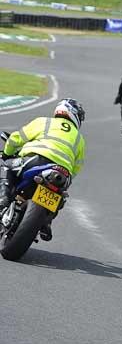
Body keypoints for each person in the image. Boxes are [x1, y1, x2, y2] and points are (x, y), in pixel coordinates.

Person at [0, 99, 86, 242]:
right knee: (61, 195)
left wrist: (7, 153)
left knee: (7, 165)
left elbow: (16, 138)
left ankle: (3, 199)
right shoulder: (80, 139)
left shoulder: (44, 122)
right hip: (63, 173)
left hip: (35, 161)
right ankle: (46, 221)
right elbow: (77, 167)